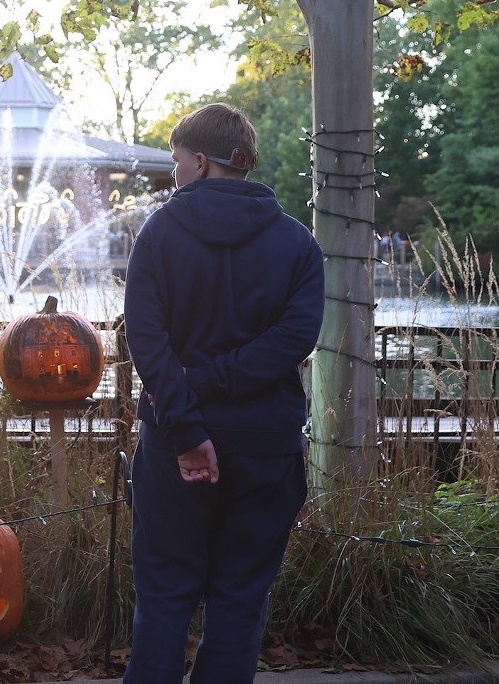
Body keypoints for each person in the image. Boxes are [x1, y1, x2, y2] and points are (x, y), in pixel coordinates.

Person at [122, 103, 324, 683]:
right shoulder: (299, 245)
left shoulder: (160, 232)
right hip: (265, 447)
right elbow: (294, 340)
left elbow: (146, 337)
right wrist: (209, 383)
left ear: (202, 161)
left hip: (173, 443)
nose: (175, 175)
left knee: (164, 595)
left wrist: (187, 426)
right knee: (239, 599)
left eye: (178, 161)